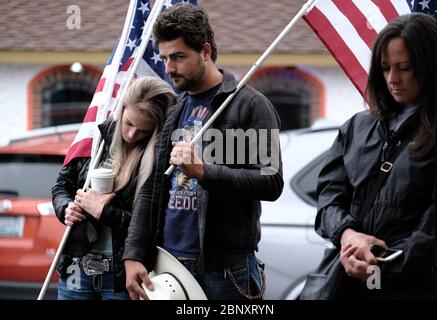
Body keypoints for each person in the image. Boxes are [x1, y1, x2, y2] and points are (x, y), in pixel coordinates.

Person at [122, 4, 283, 300]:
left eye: (179, 57)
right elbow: (151, 189)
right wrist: (132, 254)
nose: (169, 68)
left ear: (206, 51)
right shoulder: (175, 109)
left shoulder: (248, 105)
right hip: (168, 263)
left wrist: (205, 172)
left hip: (225, 267)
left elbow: (271, 182)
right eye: (166, 58)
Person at [313, 13, 436, 299]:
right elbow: (328, 197)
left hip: (413, 285)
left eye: (405, 68)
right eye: (384, 68)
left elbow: (433, 229)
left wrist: (379, 270)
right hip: (351, 278)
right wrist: (348, 236)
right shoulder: (358, 126)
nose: (393, 79)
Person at [51, 76, 176, 300]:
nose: (131, 135)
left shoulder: (160, 159)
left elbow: (152, 226)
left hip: (120, 276)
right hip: (75, 269)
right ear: (121, 110)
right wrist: (66, 208)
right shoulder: (94, 140)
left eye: (143, 131)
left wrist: (104, 211)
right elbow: (62, 185)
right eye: (129, 124)